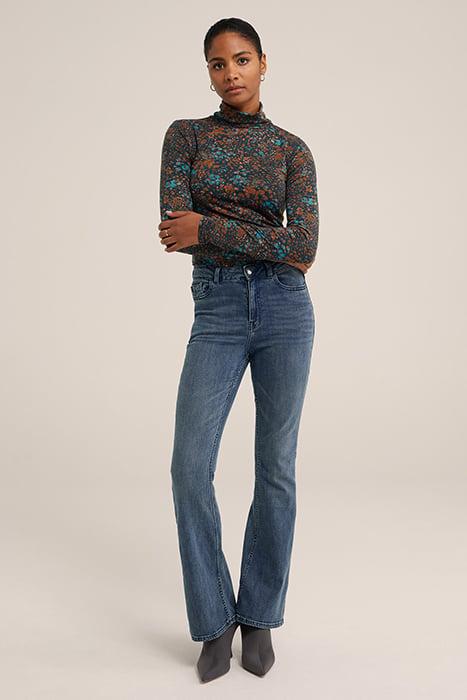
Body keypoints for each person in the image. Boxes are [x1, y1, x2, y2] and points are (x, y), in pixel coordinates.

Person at [158, 17, 319, 683]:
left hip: (285, 308)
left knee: (275, 468)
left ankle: (258, 617)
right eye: (218, 63)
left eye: (242, 59)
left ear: (262, 63)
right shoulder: (186, 136)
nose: (230, 73)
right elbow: (175, 230)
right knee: (188, 468)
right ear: (208, 72)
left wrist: (211, 225)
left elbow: (303, 248)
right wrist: (233, 234)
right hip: (218, 308)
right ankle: (214, 620)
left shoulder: (291, 150)